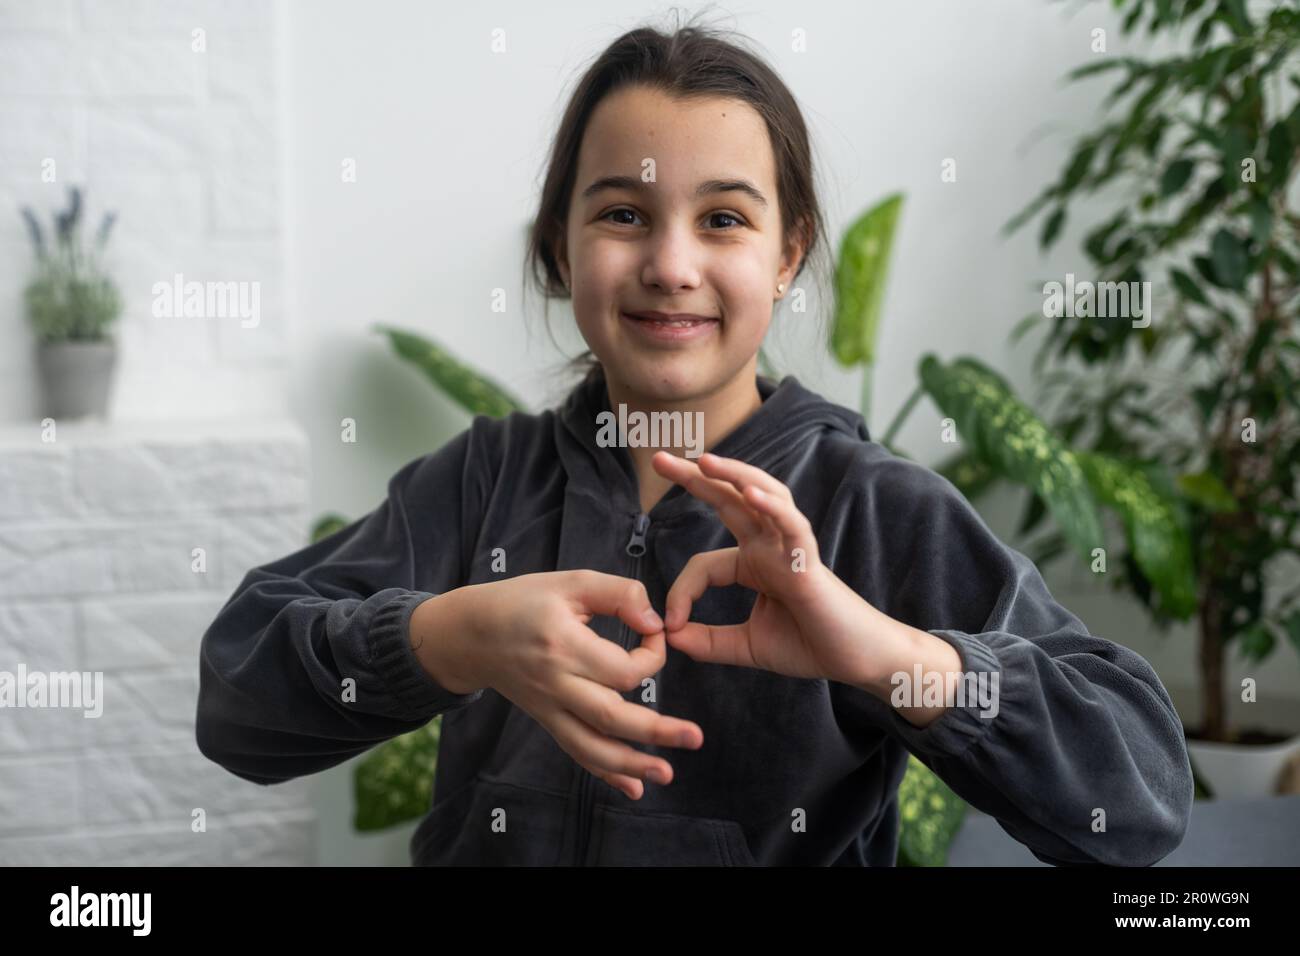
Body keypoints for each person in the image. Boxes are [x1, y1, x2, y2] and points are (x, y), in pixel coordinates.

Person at [196, 19, 1194, 866]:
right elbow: (237, 697)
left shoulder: (873, 506)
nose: (670, 265)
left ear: (787, 250)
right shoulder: (482, 480)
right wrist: (450, 639)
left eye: (722, 218)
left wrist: (887, 654)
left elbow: (1140, 794)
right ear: (558, 247)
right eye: (624, 214)